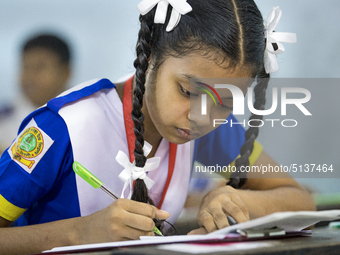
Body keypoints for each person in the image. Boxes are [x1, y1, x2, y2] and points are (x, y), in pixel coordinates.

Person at [0, 1, 315, 254]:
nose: (203, 117)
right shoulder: (64, 126)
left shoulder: (209, 126)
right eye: (188, 92)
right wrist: (79, 232)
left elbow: (299, 199)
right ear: (149, 57)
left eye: (226, 103)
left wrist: (242, 201)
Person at [0, 34, 71, 154]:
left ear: (65, 73)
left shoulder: (82, 118)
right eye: (25, 67)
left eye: (39, 67)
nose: (30, 77)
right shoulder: (3, 121)